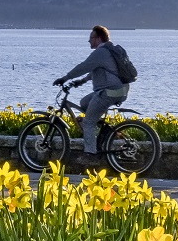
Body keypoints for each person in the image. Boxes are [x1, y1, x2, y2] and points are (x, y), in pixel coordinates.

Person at [53, 25, 129, 165]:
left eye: (91, 38)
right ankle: (101, 131)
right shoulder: (108, 51)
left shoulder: (101, 53)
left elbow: (84, 66)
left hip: (109, 92)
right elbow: (94, 71)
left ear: (99, 38)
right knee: (84, 103)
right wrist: (79, 82)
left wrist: (65, 78)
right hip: (119, 90)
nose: (89, 41)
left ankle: (90, 155)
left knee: (88, 122)